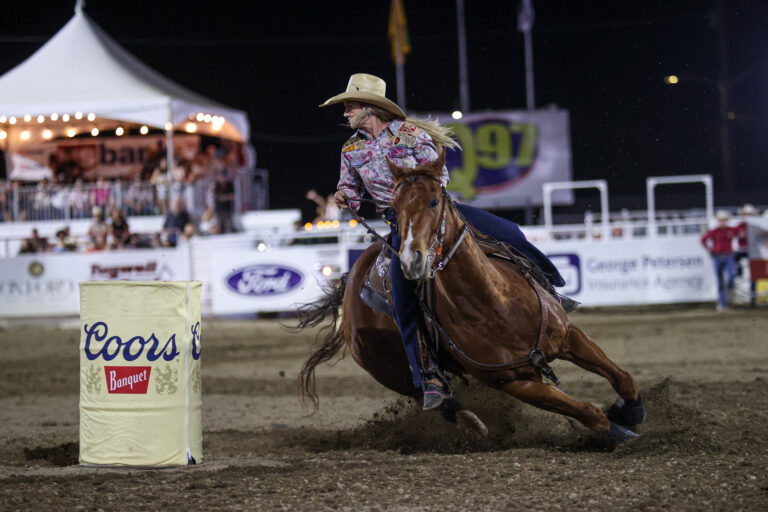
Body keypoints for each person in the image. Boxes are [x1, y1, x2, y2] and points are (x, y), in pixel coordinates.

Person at [320, 73, 574, 410]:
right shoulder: (351, 149)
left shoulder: (412, 135)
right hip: (402, 224)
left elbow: (441, 176)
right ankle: (428, 377)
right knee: (403, 301)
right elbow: (349, 187)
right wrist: (344, 194)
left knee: (510, 233)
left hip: (438, 212)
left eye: (350, 105)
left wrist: (414, 187)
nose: (345, 112)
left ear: (370, 107)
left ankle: (552, 290)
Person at [701, 210, 743, 312]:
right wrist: (709, 250)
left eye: (724, 220)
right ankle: (722, 303)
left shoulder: (731, 230)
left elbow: (741, 230)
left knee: (732, 274)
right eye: (721, 220)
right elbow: (703, 239)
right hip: (717, 256)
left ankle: (729, 290)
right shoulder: (714, 231)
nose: (722, 222)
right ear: (718, 221)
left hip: (729, 255)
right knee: (720, 281)